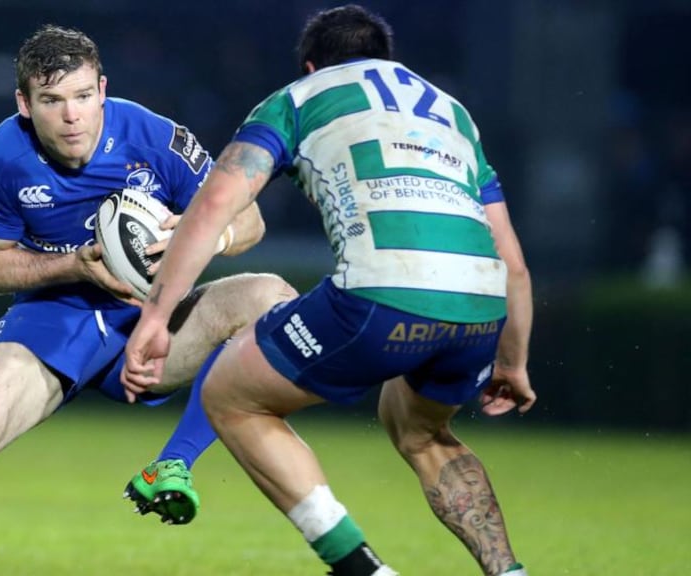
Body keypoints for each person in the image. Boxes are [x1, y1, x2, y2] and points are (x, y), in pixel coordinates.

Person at [0, 24, 297, 575]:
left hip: (156, 321)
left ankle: (171, 465)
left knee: (270, 297)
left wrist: (202, 233)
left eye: (84, 97)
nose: (72, 115)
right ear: (24, 103)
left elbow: (250, 218)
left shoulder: (155, 138)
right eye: (52, 100)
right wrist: (75, 264)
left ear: (103, 90)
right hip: (55, 318)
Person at [122, 5, 535, 576]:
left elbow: (215, 204)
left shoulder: (298, 98)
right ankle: (509, 572)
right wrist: (512, 361)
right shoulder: (453, 114)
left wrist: (155, 313)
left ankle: (363, 570)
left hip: (379, 296)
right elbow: (513, 263)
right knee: (422, 431)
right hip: (481, 309)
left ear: (311, 65)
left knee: (230, 396)